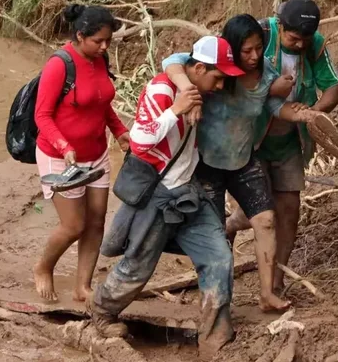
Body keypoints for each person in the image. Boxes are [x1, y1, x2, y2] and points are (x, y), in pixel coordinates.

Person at [161, 14, 329, 311]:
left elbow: (276, 106)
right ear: (232, 48)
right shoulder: (215, 67)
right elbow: (173, 61)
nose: (253, 56)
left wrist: (304, 114)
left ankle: (267, 295)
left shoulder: (266, 74)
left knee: (266, 221)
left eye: (258, 49)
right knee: (214, 237)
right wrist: (187, 90)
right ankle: (216, 301)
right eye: (246, 51)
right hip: (207, 164)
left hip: (242, 160)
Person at [92, 35, 241, 358]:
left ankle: (215, 336)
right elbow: (140, 140)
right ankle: (102, 313)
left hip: (188, 191)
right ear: (199, 68)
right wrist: (176, 110)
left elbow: (175, 57)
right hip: (159, 195)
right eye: (217, 78)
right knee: (138, 267)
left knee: (219, 258)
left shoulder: (195, 87)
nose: (219, 87)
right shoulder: (163, 90)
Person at [226, 0, 338, 292]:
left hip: (290, 140)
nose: (301, 44)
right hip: (251, 140)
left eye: (306, 39)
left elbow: (334, 88)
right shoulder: (259, 36)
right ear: (281, 25)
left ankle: (275, 284)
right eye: (294, 38)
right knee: (257, 212)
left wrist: (314, 114)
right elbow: (228, 78)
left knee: (289, 211)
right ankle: (229, 227)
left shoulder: (314, 43)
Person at [33, 4, 130, 302]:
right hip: (60, 157)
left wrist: (120, 131)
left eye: (108, 41)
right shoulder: (59, 64)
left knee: (97, 221)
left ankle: (82, 286)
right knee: (74, 225)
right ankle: (43, 268)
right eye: (98, 41)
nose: (104, 47)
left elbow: (102, 104)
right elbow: (42, 116)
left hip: (96, 154)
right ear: (79, 36)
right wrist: (64, 146)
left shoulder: (100, 59)